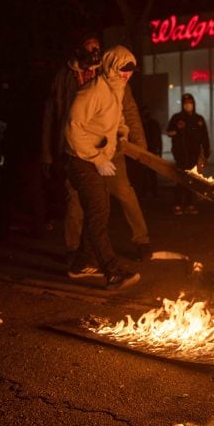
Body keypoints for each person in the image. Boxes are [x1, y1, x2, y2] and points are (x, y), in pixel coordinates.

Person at [41, 31, 152, 262]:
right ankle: (75, 250)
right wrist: (48, 153)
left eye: (97, 47)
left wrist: (139, 146)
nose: (95, 52)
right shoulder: (66, 79)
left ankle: (141, 240)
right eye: (89, 48)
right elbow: (56, 118)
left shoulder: (114, 72)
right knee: (76, 199)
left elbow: (127, 110)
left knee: (123, 191)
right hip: (78, 149)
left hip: (110, 148)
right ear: (79, 50)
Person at [63, 45, 140, 289]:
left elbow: (117, 120)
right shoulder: (93, 91)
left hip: (96, 159)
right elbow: (72, 128)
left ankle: (80, 266)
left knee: (100, 212)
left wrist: (122, 134)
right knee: (97, 214)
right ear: (111, 66)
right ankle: (112, 272)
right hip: (81, 160)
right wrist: (97, 158)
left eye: (131, 69)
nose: (127, 73)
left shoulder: (117, 90)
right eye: (123, 68)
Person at [167, 93, 210, 214]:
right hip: (180, 154)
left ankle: (190, 204)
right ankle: (177, 204)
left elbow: (204, 137)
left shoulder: (199, 119)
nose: (188, 105)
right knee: (181, 179)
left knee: (192, 179)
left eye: (190, 103)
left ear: (193, 104)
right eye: (186, 103)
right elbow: (169, 131)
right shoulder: (177, 118)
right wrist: (175, 132)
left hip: (194, 155)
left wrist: (206, 152)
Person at [138, 106, 163, 198]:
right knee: (144, 173)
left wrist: (159, 151)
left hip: (151, 151)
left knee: (151, 173)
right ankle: (145, 191)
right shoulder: (142, 124)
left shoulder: (153, 124)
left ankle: (153, 192)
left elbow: (158, 139)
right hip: (144, 151)